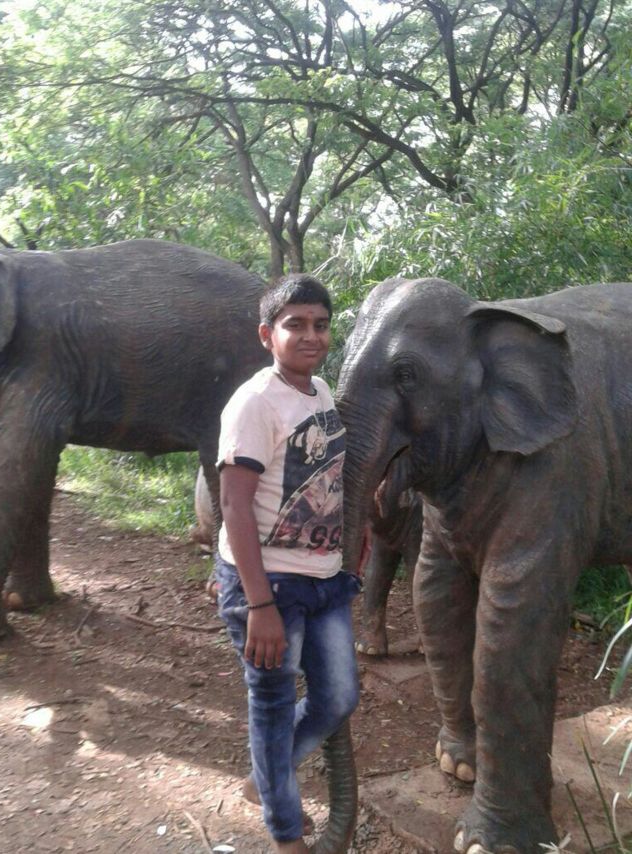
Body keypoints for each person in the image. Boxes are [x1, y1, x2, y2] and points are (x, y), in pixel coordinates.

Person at [215, 274, 368, 854]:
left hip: (324, 578)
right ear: (267, 335)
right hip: (269, 584)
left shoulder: (320, 391)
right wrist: (259, 604)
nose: (311, 336)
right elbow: (234, 504)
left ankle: (266, 778)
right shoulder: (254, 403)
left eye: (320, 325)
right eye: (295, 325)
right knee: (274, 706)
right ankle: (285, 834)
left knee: (338, 697)